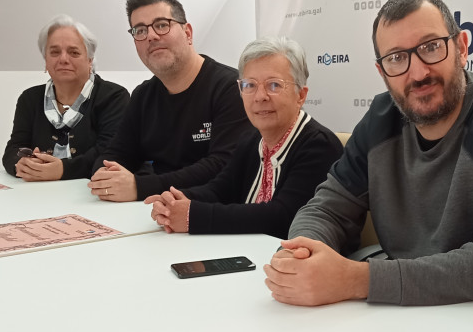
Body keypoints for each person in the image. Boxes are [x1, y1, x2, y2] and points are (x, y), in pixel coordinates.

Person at [263, 0, 473, 312]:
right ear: (382, 73)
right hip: (407, 306)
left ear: (461, 48)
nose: (418, 72)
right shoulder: (380, 120)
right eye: (397, 58)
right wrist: (301, 253)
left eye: (431, 47)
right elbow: (326, 209)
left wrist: (357, 279)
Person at [144, 37, 343, 239]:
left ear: (300, 95)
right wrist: (175, 201)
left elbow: (283, 217)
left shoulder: (319, 145)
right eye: (249, 85)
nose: (260, 96)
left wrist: (192, 215)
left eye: (274, 85)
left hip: (296, 262)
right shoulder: (251, 139)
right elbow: (219, 190)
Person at [88, 0, 251, 201]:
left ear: (188, 33)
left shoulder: (231, 88)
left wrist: (140, 186)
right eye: (140, 30)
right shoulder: (143, 95)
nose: (152, 36)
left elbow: (223, 166)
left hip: (213, 216)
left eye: (162, 25)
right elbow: (116, 154)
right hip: (155, 212)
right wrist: (105, 176)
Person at [3, 15, 128, 180]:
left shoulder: (114, 97)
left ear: (90, 60)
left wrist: (63, 170)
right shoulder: (29, 98)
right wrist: (21, 163)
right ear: (46, 61)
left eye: (73, 52)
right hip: (36, 193)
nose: (63, 59)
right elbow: (14, 148)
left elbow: (109, 154)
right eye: (54, 52)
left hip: (89, 195)